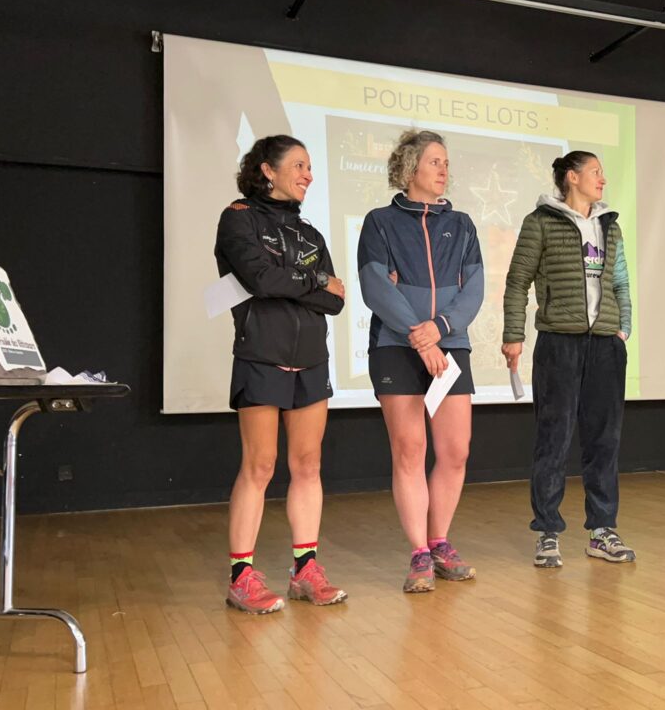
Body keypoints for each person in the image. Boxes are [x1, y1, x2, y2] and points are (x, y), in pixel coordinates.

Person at [215, 134, 347, 613]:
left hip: (312, 359)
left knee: (308, 465)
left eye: (310, 166)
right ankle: (241, 577)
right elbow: (261, 280)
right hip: (261, 355)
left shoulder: (310, 234)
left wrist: (297, 284)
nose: (309, 174)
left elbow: (336, 300)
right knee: (261, 466)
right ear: (267, 170)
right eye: (299, 165)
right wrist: (312, 281)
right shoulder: (237, 219)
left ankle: (305, 569)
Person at [357, 130, 484, 593]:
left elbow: (474, 289)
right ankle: (418, 554)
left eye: (446, 162)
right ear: (410, 169)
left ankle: (440, 542)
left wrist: (442, 330)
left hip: (451, 344)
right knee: (410, 451)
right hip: (397, 345)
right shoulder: (380, 222)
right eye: (434, 161)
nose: (444, 169)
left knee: (455, 452)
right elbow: (376, 285)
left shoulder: (464, 225)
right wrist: (420, 335)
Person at [501, 150, 636, 568]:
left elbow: (620, 281)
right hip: (559, 343)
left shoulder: (609, 225)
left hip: (605, 346)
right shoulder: (540, 222)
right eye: (596, 172)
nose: (603, 180)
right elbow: (517, 280)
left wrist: (623, 327)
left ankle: (602, 530)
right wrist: (513, 335)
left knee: (604, 441)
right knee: (553, 439)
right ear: (573, 177)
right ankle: (547, 532)